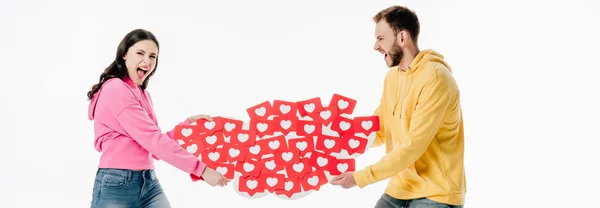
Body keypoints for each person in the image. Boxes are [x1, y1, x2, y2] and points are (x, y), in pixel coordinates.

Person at [330, 5, 466, 208]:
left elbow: (413, 146)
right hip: (400, 188)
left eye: (380, 39)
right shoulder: (392, 78)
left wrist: (359, 178)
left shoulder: (436, 78)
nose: (375, 46)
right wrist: (336, 139)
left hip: (437, 192)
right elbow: (380, 128)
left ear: (402, 38)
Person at [87, 28, 228, 208]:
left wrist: (186, 128)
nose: (147, 61)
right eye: (140, 53)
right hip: (117, 182)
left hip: (148, 181)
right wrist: (202, 170)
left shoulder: (141, 93)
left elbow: (153, 145)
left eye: (153, 56)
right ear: (124, 55)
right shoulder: (116, 89)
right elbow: (153, 140)